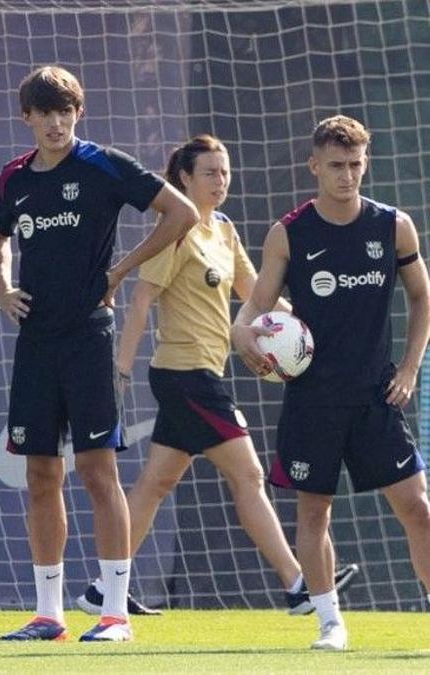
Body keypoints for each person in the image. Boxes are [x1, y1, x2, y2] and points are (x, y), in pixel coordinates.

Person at [77, 135, 358, 618]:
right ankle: (297, 585)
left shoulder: (223, 230)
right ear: (184, 177)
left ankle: (104, 588)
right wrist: (119, 369)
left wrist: (315, 333)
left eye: (224, 172)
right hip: (185, 376)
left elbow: (256, 294)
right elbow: (143, 299)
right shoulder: (178, 227)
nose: (220, 180)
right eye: (209, 172)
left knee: (155, 484)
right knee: (248, 473)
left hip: (202, 374)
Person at [0, 66, 199, 643]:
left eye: (66, 111)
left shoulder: (104, 164)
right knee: (40, 474)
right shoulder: (14, 178)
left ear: (78, 113)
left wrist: (121, 270)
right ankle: (49, 614)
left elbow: (182, 213)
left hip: (88, 338)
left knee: (99, 472)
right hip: (36, 344)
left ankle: (114, 615)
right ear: (27, 117)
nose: (56, 123)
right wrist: (2, 285)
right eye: (45, 113)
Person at [231, 114, 430, 650]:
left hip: (376, 396)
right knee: (315, 510)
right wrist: (240, 330)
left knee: (418, 508)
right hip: (312, 399)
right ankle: (330, 623)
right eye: (337, 166)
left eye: (356, 165)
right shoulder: (289, 233)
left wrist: (410, 367)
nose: (348, 176)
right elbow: (259, 301)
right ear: (314, 166)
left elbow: (422, 296)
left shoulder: (393, 225)